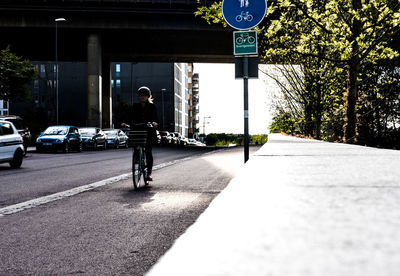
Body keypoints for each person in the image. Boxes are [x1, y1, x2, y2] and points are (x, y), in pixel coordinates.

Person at [123, 86, 158, 181]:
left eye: (144, 95)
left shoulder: (152, 106)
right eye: (141, 95)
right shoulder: (135, 106)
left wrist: (154, 123)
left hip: (148, 131)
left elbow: (155, 118)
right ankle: (137, 160)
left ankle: (149, 173)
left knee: (148, 152)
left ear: (148, 96)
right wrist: (125, 122)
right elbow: (130, 116)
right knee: (136, 147)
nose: (142, 97)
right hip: (137, 130)